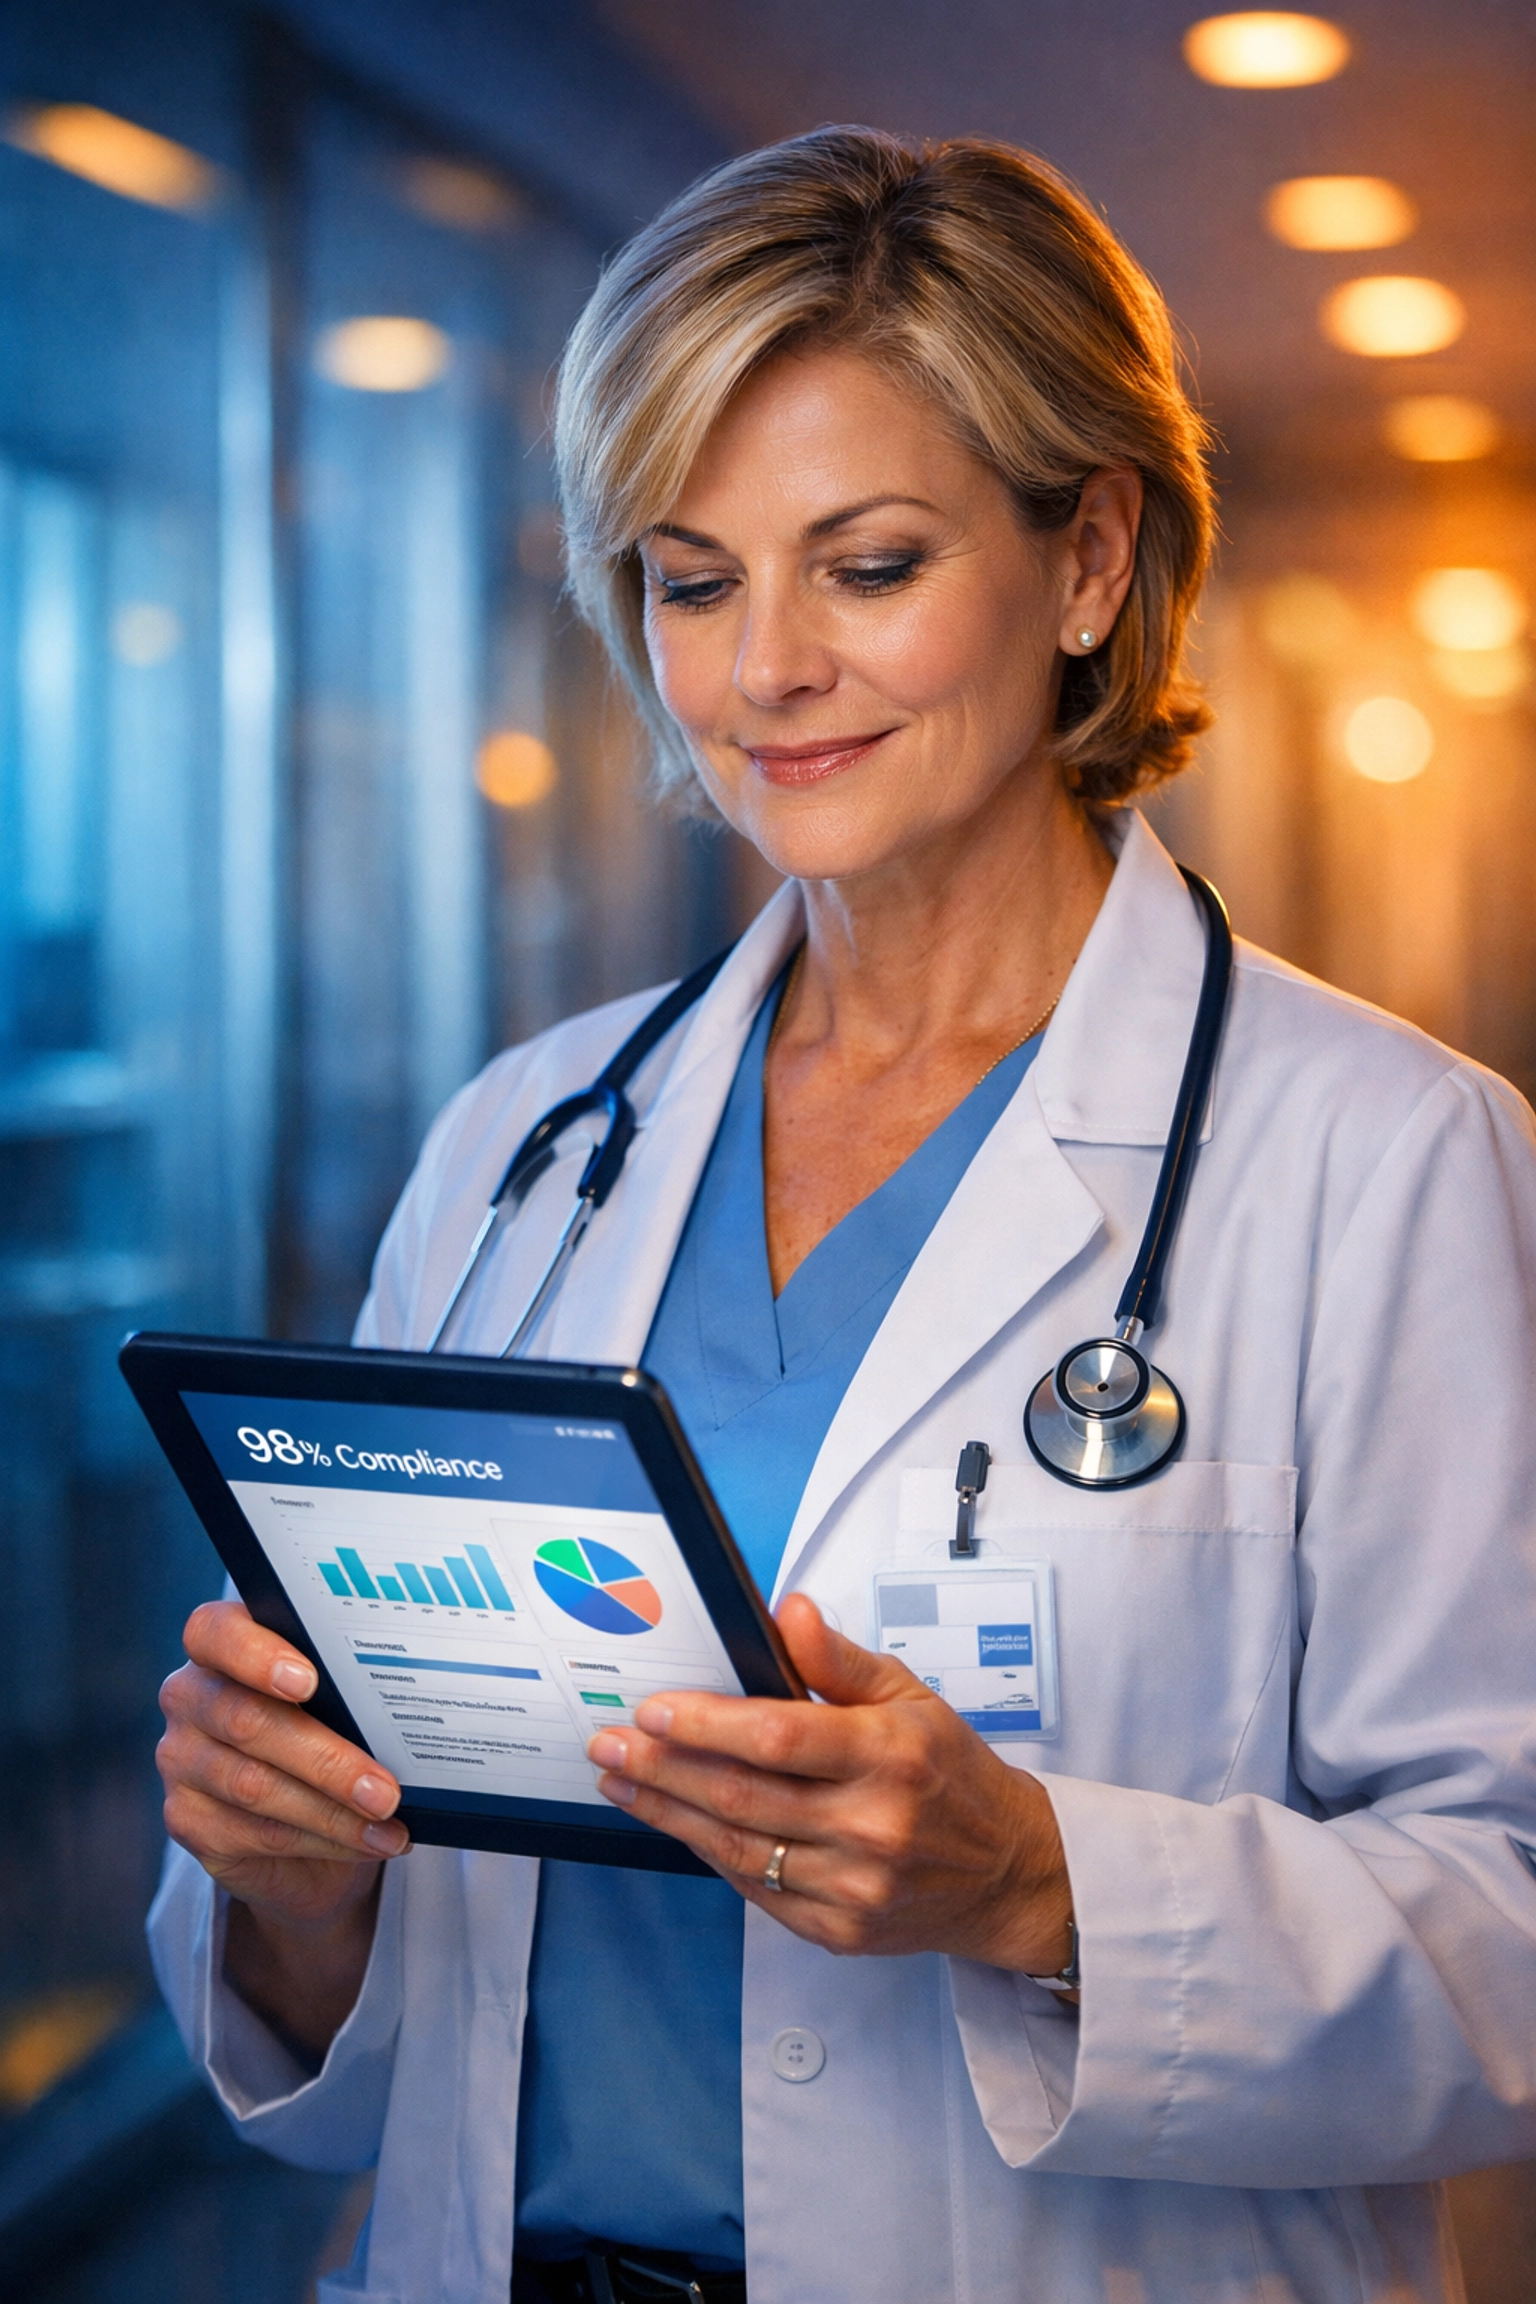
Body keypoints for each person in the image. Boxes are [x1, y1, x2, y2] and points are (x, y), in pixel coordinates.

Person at [149, 129, 1536, 2304]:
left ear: (1087, 561)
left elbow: (1514, 1937)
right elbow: (361, 2011)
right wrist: (286, 1873)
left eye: (866, 564)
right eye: (693, 583)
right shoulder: (523, 1147)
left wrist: (1039, 1887)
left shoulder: (1382, 1160)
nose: (765, 670)